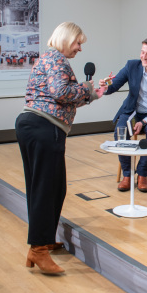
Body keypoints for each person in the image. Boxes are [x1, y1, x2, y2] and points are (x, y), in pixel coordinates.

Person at [15, 22, 105, 275]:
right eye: (78, 43)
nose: (79, 48)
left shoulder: (50, 59)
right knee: (47, 189)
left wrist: (93, 93)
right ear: (66, 39)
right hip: (43, 128)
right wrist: (87, 88)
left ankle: (43, 240)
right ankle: (38, 250)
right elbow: (60, 92)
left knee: (51, 188)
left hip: (37, 125)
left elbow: (64, 99)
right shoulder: (57, 60)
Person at [99, 37, 147, 193]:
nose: (144, 56)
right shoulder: (131, 66)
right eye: (142, 52)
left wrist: (145, 122)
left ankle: (142, 174)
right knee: (120, 132)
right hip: (133, 111)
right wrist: (104, 86)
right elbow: (113, 86)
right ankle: (127, 175)